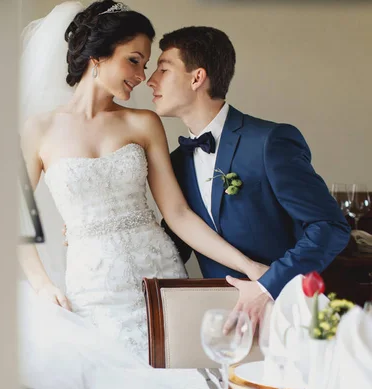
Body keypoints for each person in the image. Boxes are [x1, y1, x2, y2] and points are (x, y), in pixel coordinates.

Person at [18, 1, 264, 389]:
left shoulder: (143, 123)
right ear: (97, 55)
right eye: (134, 60)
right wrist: (43, 285)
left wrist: (248, 266)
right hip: (93, 288)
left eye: (146, 63)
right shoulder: (39, 129)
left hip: (157, 277)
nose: (142, 75)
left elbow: (179, 214)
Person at [146, 26, 351, 325]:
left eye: (163, 69)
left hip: (289, 313)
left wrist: (267, 286)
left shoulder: (270, 141)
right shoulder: (175, 162)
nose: (151, 81)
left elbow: (331, 227)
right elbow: (178, 240)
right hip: (222, 320)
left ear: (197, 77)